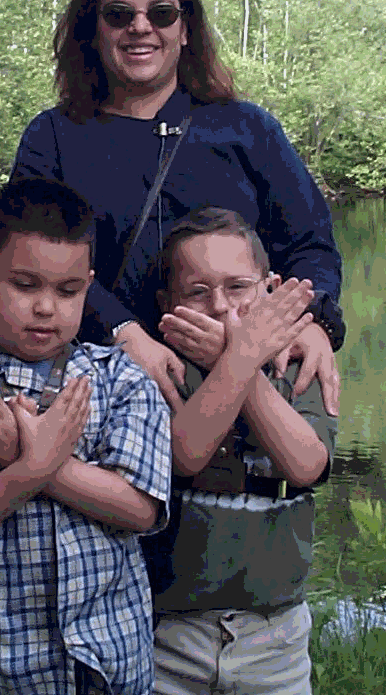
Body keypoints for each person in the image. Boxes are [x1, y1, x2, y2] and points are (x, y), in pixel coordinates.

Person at [11, 0, 344, 419]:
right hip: (99, 391)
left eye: (162, 13)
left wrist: (308, 323)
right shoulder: (53, 138)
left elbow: (310, 245)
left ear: (185, 29)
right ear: (93, 30)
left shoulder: (248, 129)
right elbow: (27, 261)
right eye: (118, 14)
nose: (140, 27)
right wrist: (124, 333)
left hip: (243, 392)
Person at [0, 176, 172, 695]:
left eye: (67, 291)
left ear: (88, 286)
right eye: (25, 286)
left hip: (109, 661)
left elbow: (140, 509)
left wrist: (27, 461)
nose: (46, 307)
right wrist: (31, 468)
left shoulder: (119, 380)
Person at [143, 208, 337, 694]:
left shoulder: (299, 369)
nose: (222, 308)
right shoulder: (163, 374)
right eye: (197, 292)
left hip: (275, 635)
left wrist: (240, 361)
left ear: (269, 290)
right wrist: (241, 355)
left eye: (238, 288)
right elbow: (182, 456)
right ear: (168, 303)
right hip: (167, 633)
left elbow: (307, 465)